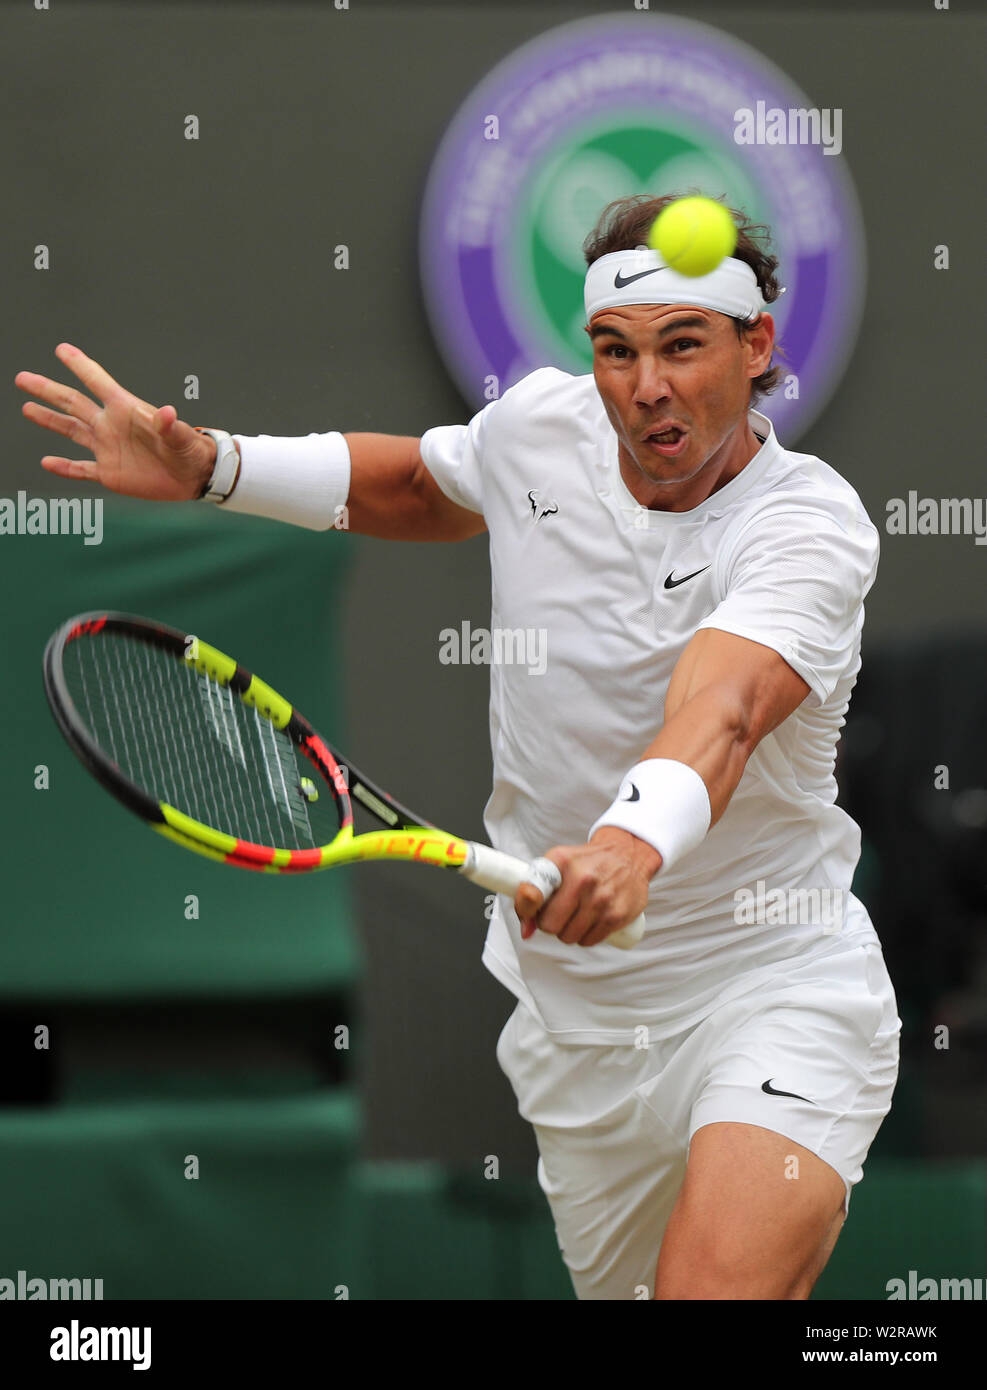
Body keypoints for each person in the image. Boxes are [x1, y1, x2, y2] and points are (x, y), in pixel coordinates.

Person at [15, 193, 900, 1301]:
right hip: (580, 1032)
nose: (647, 388)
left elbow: (720, 708)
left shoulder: (808, 527)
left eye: (683, 346)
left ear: (756, 343)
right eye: (617, 352)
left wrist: (628, 847)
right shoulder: (540, 429)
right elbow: (421, 485)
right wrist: (216, 469)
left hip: (776, 982)